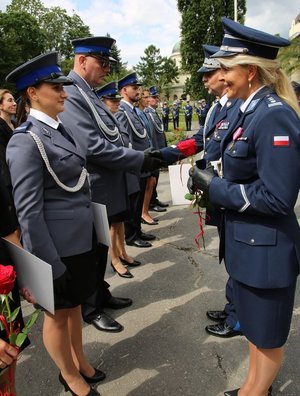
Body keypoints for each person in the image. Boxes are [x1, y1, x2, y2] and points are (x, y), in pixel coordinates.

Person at [190, 17, 300, 396]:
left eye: (226, 67)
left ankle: (255, 391)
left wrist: (217, 188)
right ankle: (253, 387)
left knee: (267, 338)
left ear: (250, 71)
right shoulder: (248, 110)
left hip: (267, 251)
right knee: (255, 331)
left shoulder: (273, 115)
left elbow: (278, 197)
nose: (220, 75)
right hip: (250, 246)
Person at [6, 52, 104, 396]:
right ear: (32, 93)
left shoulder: (60, 130)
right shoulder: (26, 140)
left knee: (74, 307)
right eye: (55, 87)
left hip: (79, 241)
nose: (64, 93)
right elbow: (29, 212)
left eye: (64, 86)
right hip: (56, 249)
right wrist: (47, 264)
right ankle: (69, 375)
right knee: (57, 316)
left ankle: (80, 361)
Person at [59, 37, 164, 332]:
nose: (107, 70)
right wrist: (139, 159)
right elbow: (92, 146)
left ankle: (100, 293)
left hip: (105, 183)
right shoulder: (71, 92)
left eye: (108, 63)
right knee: (91, 250)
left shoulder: (87, 92)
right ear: (82, 61)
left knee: (100, 247)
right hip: (91, 186)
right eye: (102, 63)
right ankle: (91, 308)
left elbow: (110, 135)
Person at [157, 44, 242, 338]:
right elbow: (200, 140)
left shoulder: (237, 106)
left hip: (230, 192)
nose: (204, 80)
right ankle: (235, 306)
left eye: (210, 73)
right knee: (230, 254)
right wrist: (166, 154)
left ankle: (239, 316)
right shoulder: (217, 107)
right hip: (218, 190)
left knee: (238, 256)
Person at [96, 81, 140, 278]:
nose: (115, 104)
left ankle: (122, 252)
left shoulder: (115, 119)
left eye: (116, 100)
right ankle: (113, 258)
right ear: (102, 102)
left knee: (121, 220)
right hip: (110, 178)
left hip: (122, 174)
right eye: (111, 101)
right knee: (112, 223)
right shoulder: (99, 122)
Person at [116, 72, 155, 248]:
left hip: (141, 161)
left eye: (138, 87)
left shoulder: (133, 110)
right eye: (134, 88)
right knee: (133, 202)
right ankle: (131, 236)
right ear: (124, 90)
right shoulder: (122, 111)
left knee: (138, 201)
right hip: (134, 164)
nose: (138, 91)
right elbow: (124, 140)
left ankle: (137, 231)